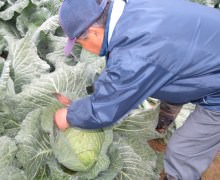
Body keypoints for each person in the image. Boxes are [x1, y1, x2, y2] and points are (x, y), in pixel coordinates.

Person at [54, 0, 220, 179]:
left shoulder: (136, 51)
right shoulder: (135, 8)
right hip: (206, 51)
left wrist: (70, 116)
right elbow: (133, 75)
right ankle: (163, 120)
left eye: (79, 43)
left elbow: (106, 107)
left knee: (182, 152)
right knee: (169, 74)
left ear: (94, 32)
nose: (84, 49)